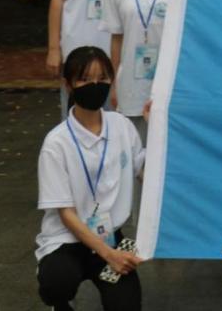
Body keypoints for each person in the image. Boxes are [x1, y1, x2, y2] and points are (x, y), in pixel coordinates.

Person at [36, 47, 145, 311]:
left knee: (127, 305)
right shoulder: (56, 143)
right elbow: (66, 214)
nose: (95, 85)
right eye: (85, 79)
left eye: (102, 78)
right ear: (69, 85)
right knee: (57, 282)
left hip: (109, 236)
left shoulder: (122, 126)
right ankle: (60, 304)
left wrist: (160, 125)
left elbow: (147, 174)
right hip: (66, 239)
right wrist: (111, 256)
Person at [104, 0, 169, 143]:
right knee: (135, 148)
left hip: (168, 82)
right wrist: (113, 83)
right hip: (131, 83)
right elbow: (117, 39)